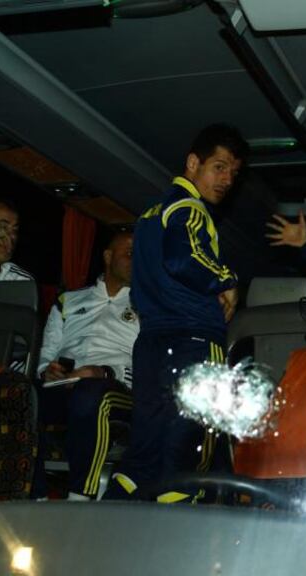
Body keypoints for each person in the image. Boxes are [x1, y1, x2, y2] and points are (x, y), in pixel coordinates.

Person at [104, 124, 247, 502]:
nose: (227, 179)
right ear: (192, 163)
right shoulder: (190, 208)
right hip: (193, 342)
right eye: (219, 167)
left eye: (233, 172)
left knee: (142, 458)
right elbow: (184, 259)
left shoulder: (150, 215)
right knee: (187, 461)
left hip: (151, 345)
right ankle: (182, 550)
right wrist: (226, 278)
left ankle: (107, 530)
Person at [36, 231, 138, 500]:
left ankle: (82, 496)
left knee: (90, 394)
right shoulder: (68, 301)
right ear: (107, 257)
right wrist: (47, 369)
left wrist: (102, 372)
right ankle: (36, 495)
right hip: (66, 382)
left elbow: (149, 365)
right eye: (129, 253)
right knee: (23, 396)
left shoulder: (148, 305)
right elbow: (47, 353)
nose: (136, 259)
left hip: (118, 387)